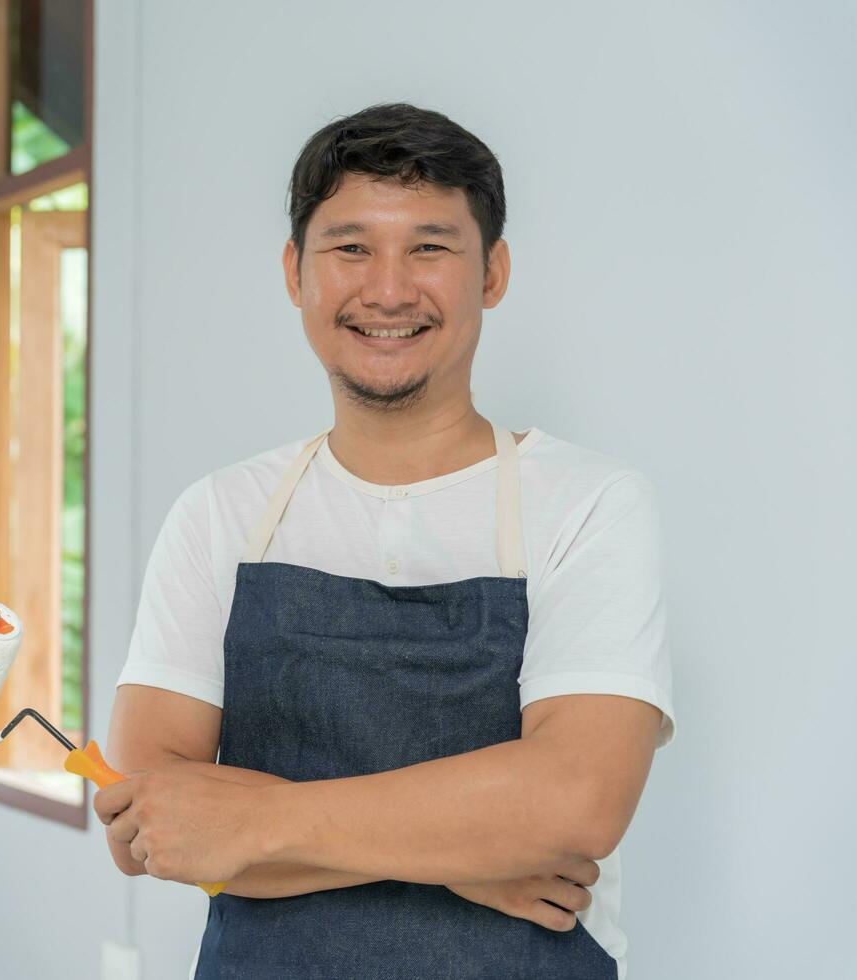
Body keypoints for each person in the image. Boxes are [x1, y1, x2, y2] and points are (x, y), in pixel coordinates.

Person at [94, 102, 677, 980]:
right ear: (296, 272)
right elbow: (149, 823)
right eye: (351, 248)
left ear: (494, 273)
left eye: (431, 248)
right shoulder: (221, 514)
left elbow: (577, 801)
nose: (390, 289)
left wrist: (253, 823)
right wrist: (474, 858)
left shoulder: (590, 505)